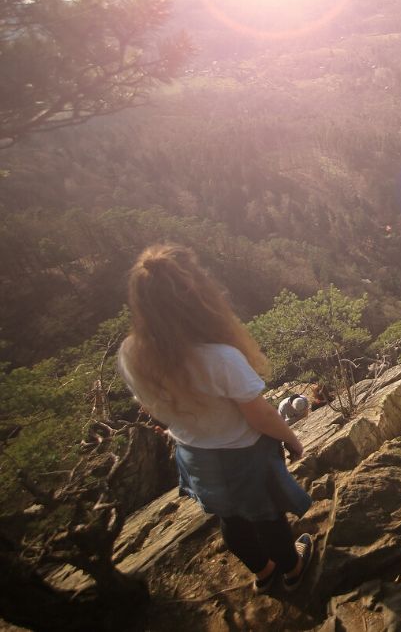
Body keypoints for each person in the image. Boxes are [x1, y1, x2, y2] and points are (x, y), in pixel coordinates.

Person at [117, 244, 315, 595]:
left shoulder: (132, 353)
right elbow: (261, 415)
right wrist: (292, 438)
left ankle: (264, 571)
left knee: (230, 519)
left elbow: (148, 407)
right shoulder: (219, 358)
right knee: (268, 517)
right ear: (196, 296)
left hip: (194, 455)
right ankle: (293, 568)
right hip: (245, 455)